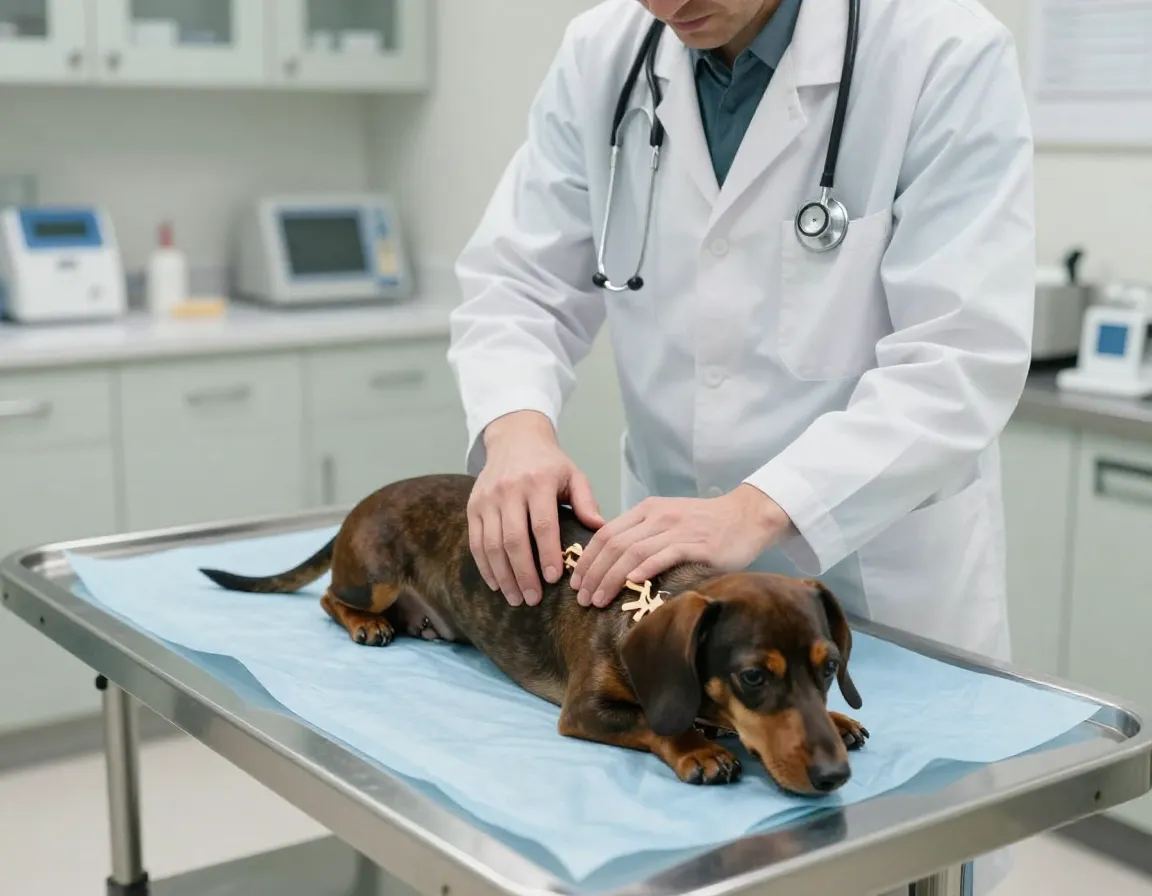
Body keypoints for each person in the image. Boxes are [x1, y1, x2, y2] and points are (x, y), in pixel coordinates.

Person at [447, 0, 1034, 891]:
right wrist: (516, 425)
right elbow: (519, 280)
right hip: (673, 607)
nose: (668, 4)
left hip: (878, 572)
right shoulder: (604, 52)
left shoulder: (942, 53)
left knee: (891, 864)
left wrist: (759, 508)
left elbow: (960, 359)